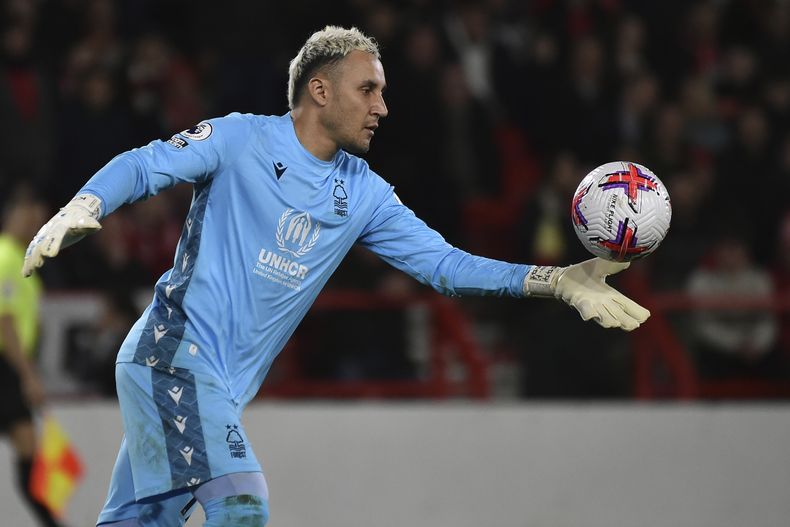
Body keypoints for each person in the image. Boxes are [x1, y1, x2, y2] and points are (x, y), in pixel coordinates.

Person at [22, 26, 650, 527]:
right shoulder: (243, 139)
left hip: (217, 386)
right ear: (320, 91)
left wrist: (559, 281)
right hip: (171, 357)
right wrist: (87, 204)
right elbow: (147, 163)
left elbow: (447, 267)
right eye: (368, 90)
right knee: (242, 504)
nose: (383, 106)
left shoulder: (367, 195)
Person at [0, 187, 65, 527]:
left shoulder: (21, 259)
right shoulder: (6, 257)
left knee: (29, 453)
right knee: (29, 453)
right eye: (34, 218)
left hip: (11, 366)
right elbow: (5, 320)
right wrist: (27, 375)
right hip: (6, 367)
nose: (38, 226)